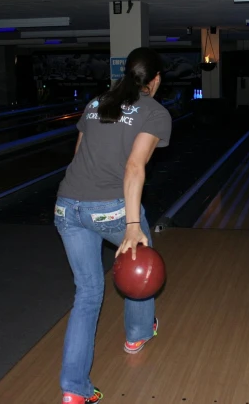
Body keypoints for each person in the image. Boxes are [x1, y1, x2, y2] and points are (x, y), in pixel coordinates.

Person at [54, 47, 172, 404]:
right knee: (141, 266)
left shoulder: (95, 103)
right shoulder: (154, 112)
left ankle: (74, 390)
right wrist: (133, 225)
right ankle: (137, 334)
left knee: (87, 294)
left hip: (66, 207)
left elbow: (78, 155)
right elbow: (135, 168)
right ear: (155, 80)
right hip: (110, 208)